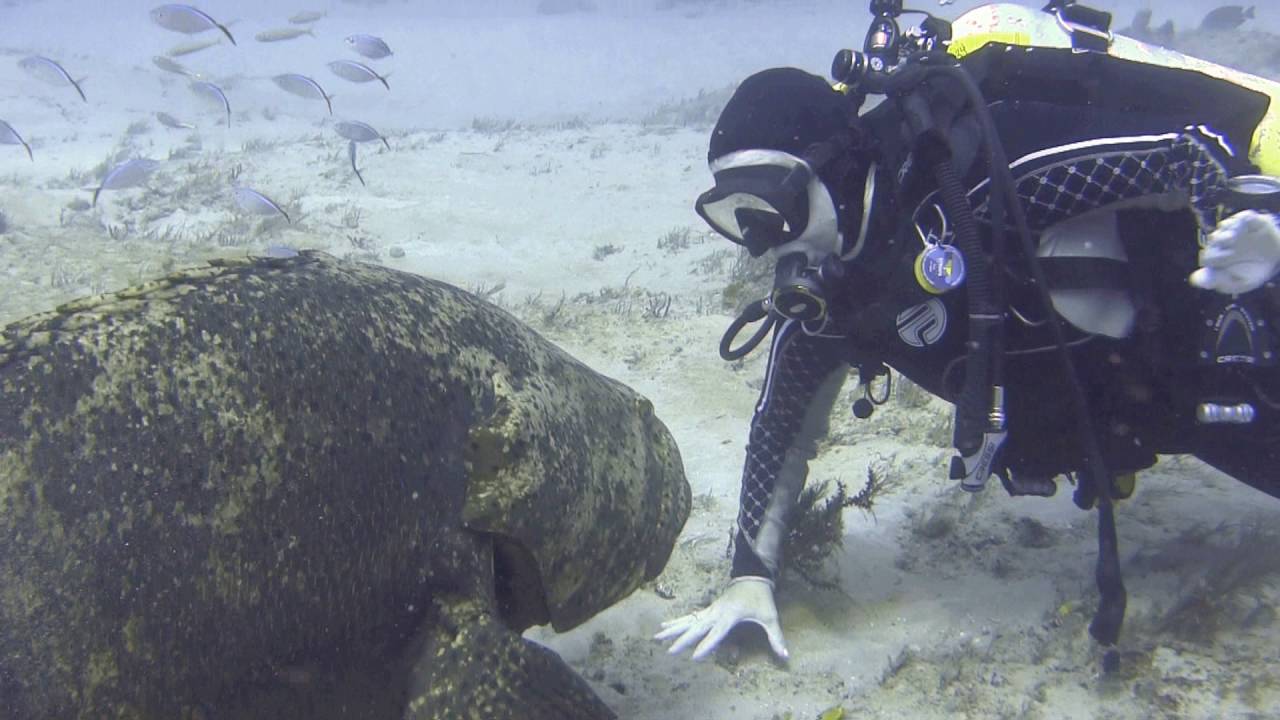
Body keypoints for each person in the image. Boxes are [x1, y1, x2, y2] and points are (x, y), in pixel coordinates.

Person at [656, 0, 1280, 663]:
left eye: (773, 202)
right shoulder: (836, 298)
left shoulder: (985, 187)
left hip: (1228, 365)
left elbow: (1189, 152)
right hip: (1160, 415)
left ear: (836, 169)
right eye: (737, 215)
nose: (762, 239)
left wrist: (1240, 219)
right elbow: (778, 428)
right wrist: (749, 580)